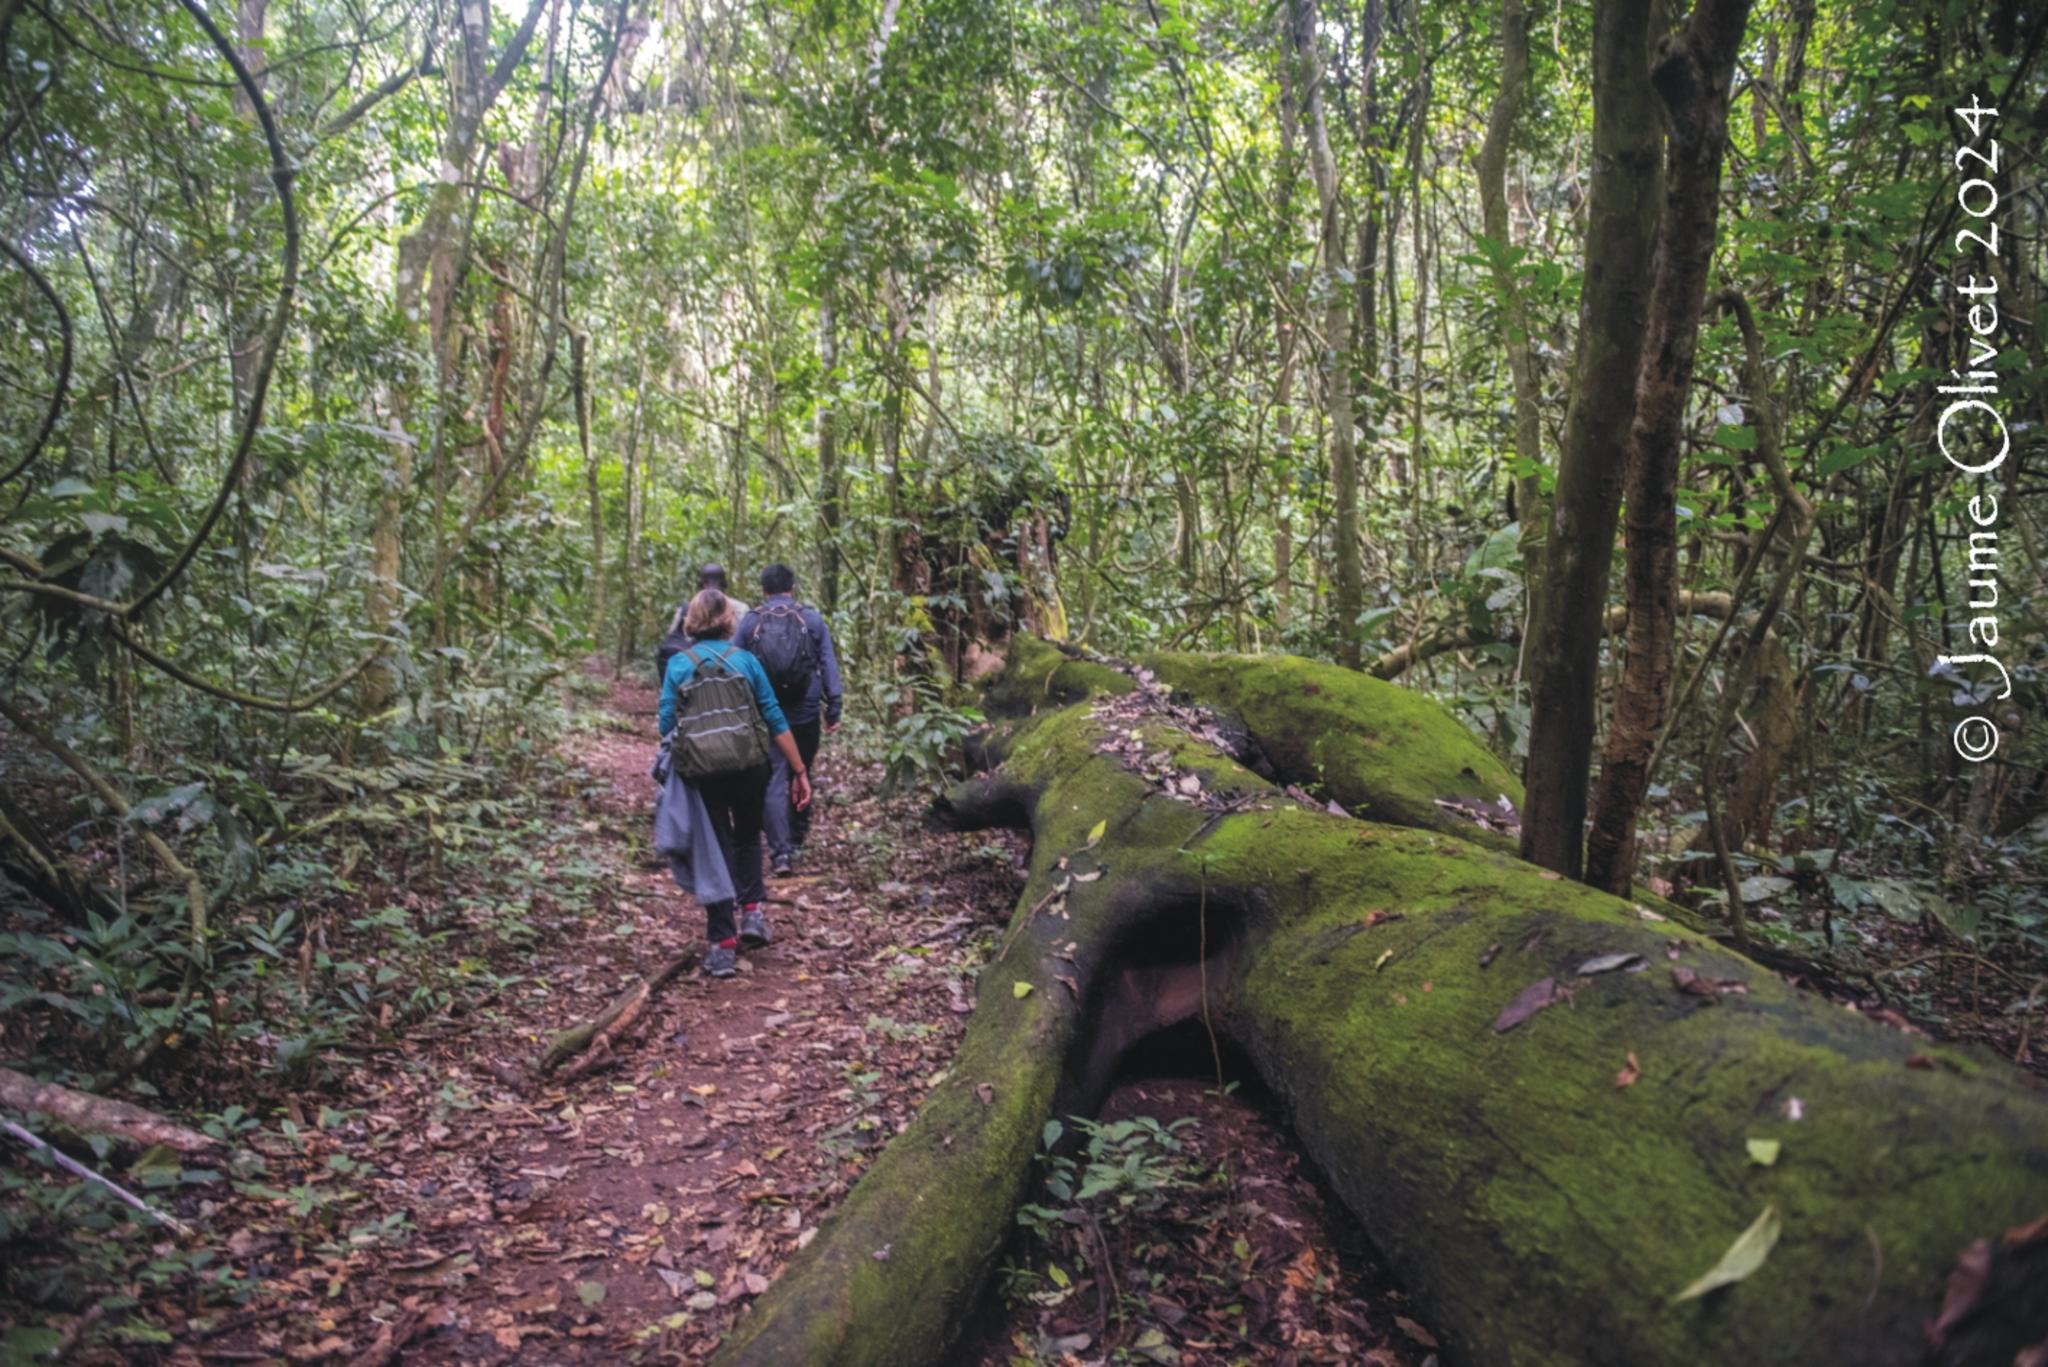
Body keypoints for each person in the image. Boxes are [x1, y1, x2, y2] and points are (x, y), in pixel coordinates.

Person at [658, 589, 811, 978]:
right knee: (746, 835)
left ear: (692, 621)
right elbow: (774, 716)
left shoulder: (678, 665)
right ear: (729, 621)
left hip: (702, 770)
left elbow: (665, 726)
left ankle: (722, 943)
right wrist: (799, 770)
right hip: (750, 764)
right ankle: (754, 914)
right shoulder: (745, 661)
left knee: (715, 846)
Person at [736, 564, 843, 876]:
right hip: (805, 711)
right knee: (802, 771)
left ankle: (780, 854)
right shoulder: (811, 618)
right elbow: (828, 663)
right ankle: (795, 839)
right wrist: (833, 705)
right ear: (792, 587)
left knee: (774, 779)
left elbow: (734, 665)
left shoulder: (752, 621)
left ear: (764, 590)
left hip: (768, 711)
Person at [657, 564, 750, 680]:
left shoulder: (687, 608)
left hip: (693, 672)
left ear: (700, 584)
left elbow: (674, 638)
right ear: (725, 584)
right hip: (734, 671)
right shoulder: (741, 609)